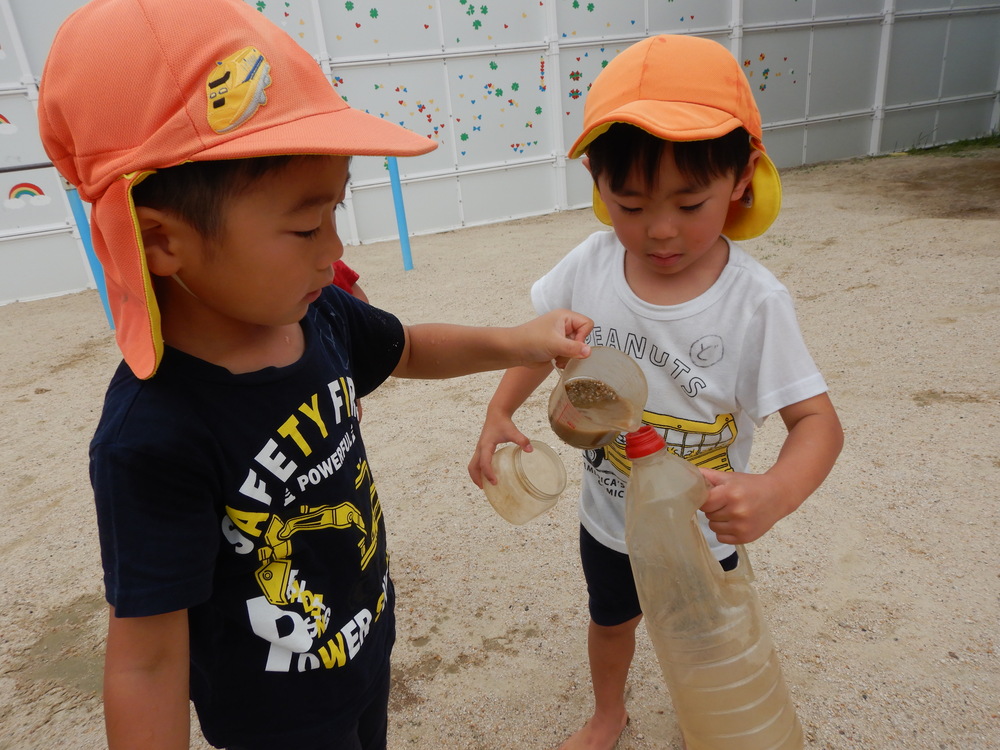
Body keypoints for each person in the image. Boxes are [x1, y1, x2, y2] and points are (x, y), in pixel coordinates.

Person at [37, 1, 592, 749]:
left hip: (362, 647)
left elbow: (409, 350)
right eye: (304, 225)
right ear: (161, 241)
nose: (332, 249)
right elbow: (147, 658)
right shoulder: (154, 437)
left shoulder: (317, 315)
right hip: (275, 721)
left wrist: (518, 341)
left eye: (335, 207)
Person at [468, 34, 843, 750]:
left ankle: (708, 718)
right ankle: (609, 713)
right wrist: (498, 407)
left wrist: (774, 492)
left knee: (704, 634)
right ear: (597, 183)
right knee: (611, 621)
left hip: (701, 532)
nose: (661, 230)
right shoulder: (593, 261)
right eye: (631, 204)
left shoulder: (754, 303)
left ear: (743, 178)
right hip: (609, 517)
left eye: (690, 202)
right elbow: (547, 342)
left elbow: (818, 422)